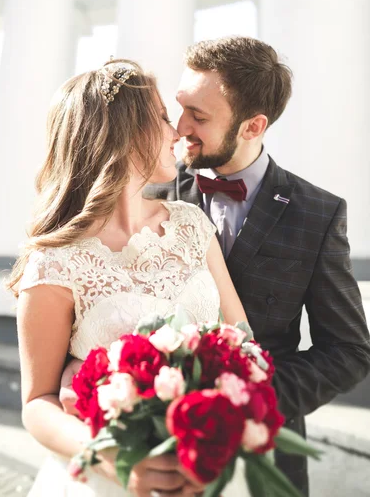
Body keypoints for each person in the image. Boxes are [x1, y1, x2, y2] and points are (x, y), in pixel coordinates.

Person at [8, 59, 250, 497]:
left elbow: (243, 341)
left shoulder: (192, 225)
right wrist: (111, 452)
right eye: (161, 117)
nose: (177, 133)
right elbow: (37, 403)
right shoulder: (54, 262)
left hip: (207, 468)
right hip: (109, 480)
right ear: (121, 132)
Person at [142, 36, 370, 496]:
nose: (179, 127)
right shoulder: (148, 193)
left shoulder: (317, 213)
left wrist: (247, 401)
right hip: (154, 451)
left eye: (199, 117)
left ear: (253, 126)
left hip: (268, 455)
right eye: (180, 107)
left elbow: (349, 351)